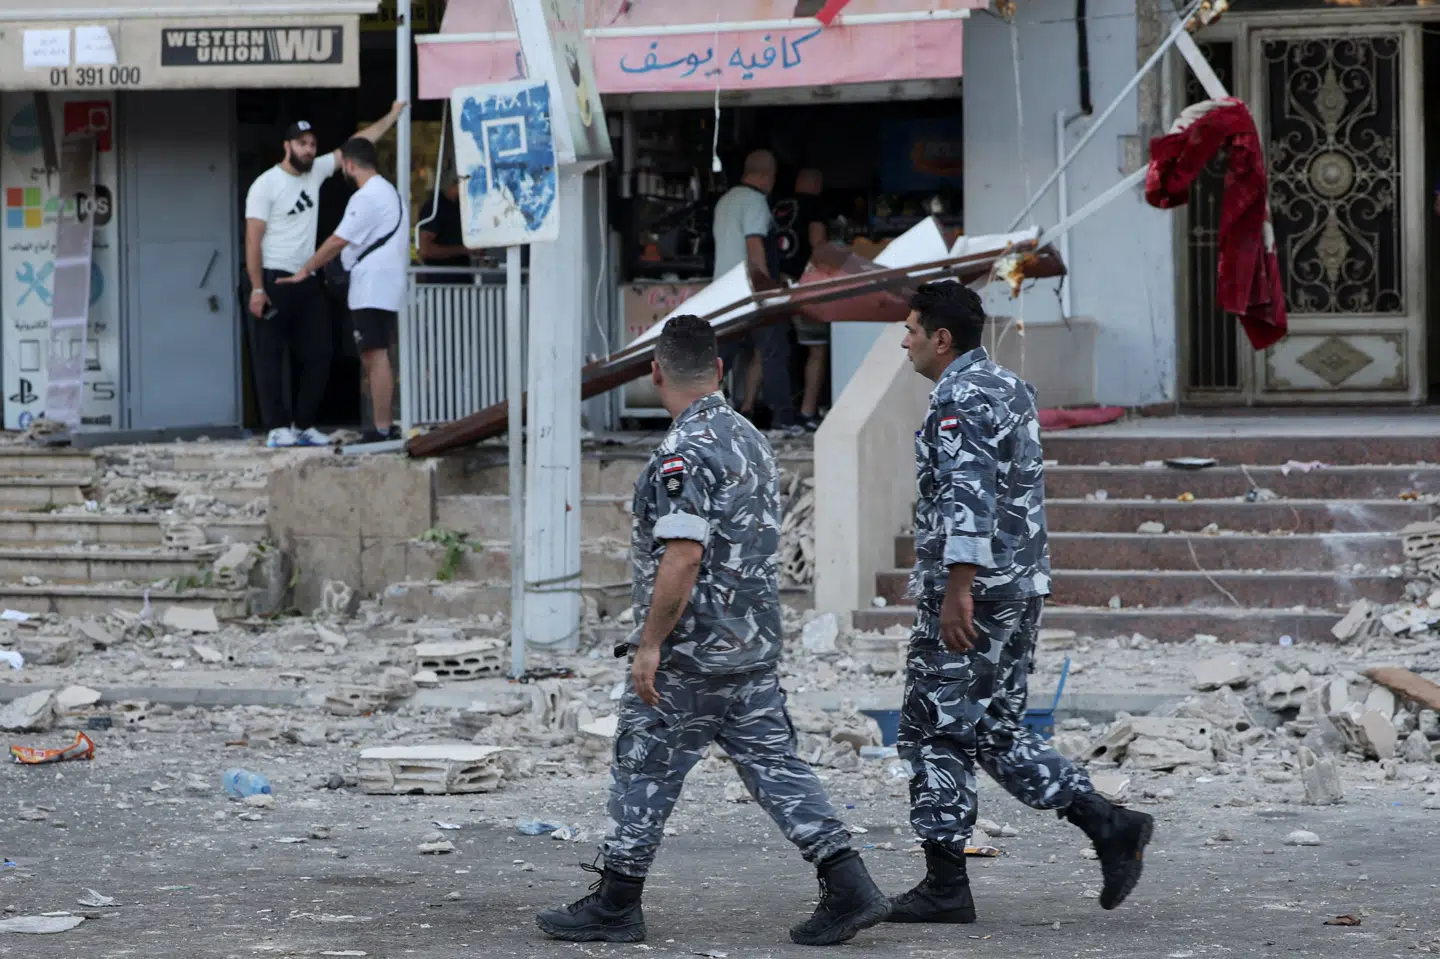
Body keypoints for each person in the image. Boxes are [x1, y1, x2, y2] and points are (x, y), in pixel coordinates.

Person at [535, 315, 889, 947]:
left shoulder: (683, 451)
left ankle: (617, 902)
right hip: (750, 645)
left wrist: (650, 644)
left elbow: (682, 556)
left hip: (691, 653)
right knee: (776, 768)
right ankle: (849, 883)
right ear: (720, 370)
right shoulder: (750, 437)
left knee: (643, 766)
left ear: (655, 373)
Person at [889, 281, 1154, 925]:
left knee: (933, 727)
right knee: (994, 730)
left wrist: (957, 589)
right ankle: (1107, 823)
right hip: (1020, 584)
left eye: (911, 330)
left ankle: (945, 886)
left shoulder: (960, 396)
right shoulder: (1008, 386)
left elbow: (969, 495)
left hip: (976, 591)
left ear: (940, 339)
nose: (905, 342)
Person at [244, 101, 406, 448]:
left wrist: (391, 116)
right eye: (301, 143)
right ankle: (277, 426)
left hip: (307, 279)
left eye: (312, 144)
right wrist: (257, 287)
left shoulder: (316, 171)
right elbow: (253, 239)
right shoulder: (265, 184)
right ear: (287, 146)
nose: (308, 149)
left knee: (320, 351)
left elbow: (358, 145)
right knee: (270, 355)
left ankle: (304, 424)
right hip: (274, 277)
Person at [280, 137, 407, 444]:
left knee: (374, 355)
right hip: (384, 285)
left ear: (349, 165)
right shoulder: (390, 192)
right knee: (375, 354)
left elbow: (338, 240)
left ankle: (381, 428)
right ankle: (382, 426)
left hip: (372, 287)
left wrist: (306, 269)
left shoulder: (367, 196)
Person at [711, 149, 796, 433]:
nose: (772, 183)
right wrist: (766, 289)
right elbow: (754, 244)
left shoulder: (725, 201)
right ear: (764, 175)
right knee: (774, 352)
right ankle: (782, 419)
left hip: (724, 293)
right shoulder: (755, 201)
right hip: (751, 291)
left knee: (721, 358)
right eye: (772, 177)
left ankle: (697, 412)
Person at [772, 168, 829, 432]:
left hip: (776, 283)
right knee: (817, 348)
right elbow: (818, 244)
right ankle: (807, 412)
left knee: (770, 348)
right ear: (817, 185)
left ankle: (751, 408)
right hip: (803, 282)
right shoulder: (814, 206)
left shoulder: (778, 206)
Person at [417, 172, 473, 284]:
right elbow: (425, 250)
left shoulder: (462, 207)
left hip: (463, 280)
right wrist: (464, 250)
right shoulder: (434, 207)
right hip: (440, 283)